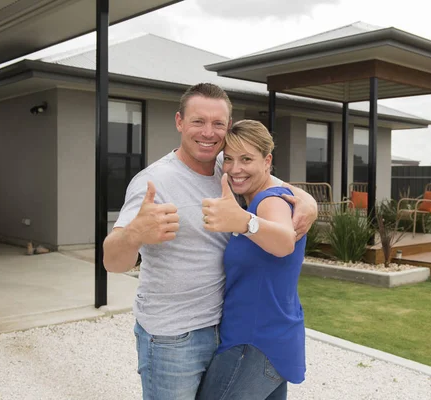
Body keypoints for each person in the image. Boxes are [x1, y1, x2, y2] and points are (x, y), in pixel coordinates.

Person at [102, 83, 317, 400]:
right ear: (179, 122)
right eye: (198, 121)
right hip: (174, 337)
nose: (208, 132)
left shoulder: (227, 167)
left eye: (218, 123)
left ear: (228, 127)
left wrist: (307, 202)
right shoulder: (154, 182)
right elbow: (113, 262)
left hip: (225, 328)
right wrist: (134, 234)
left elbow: (272, 186)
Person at [197, 120, 306, 400]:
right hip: (267, 340)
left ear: (267, 160)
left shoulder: (270, 202)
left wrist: (244, 221)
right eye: (229, 159)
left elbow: (284, 242)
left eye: (246, 159)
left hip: (254, 344)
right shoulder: (259, 201)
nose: (235, 169)